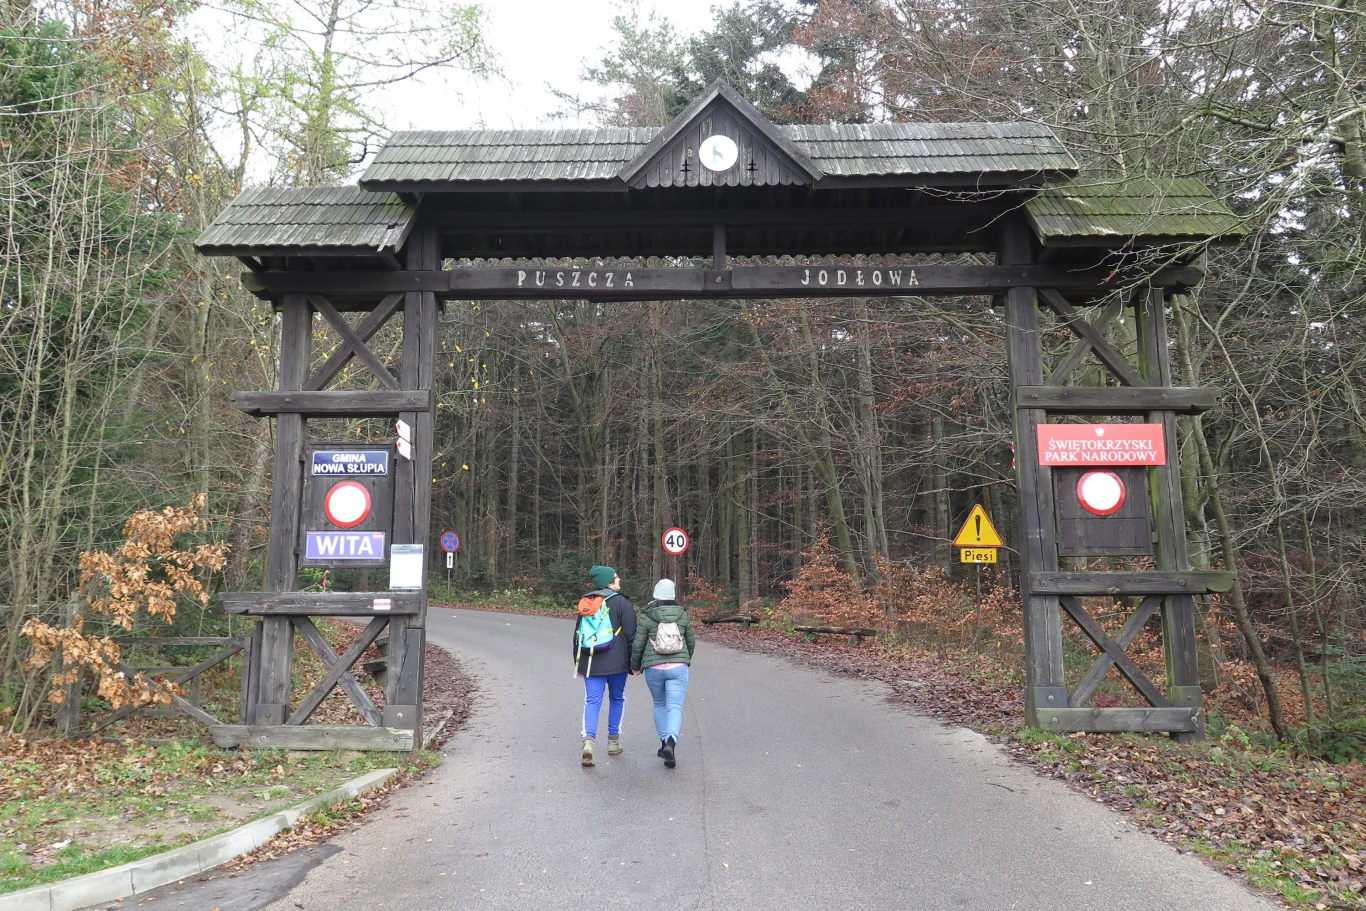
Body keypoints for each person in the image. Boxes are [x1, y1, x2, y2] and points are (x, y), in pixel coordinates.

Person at [573, 565, 636, 767]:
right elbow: (631, 635)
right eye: (616, 577)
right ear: (609, 581)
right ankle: (613, 742)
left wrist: (578, 663)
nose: (619, 580)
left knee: (592, 701)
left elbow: (578, 635)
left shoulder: (587, 602)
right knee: (617, 699)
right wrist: (634, 663)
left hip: (591, 661)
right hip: (617, 662)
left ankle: (588, 743)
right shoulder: (622, 602)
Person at [631, 578, 695, 768]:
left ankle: (663, 744)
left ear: (656, 595)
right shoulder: (682, 615)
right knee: (674, 707)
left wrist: (636, 666)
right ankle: (671, 743)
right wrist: (685, 658)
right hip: (678, 668)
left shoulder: (647, 616)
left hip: (654, 668)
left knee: (659, 704)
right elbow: (691, 641)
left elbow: (638, 645)